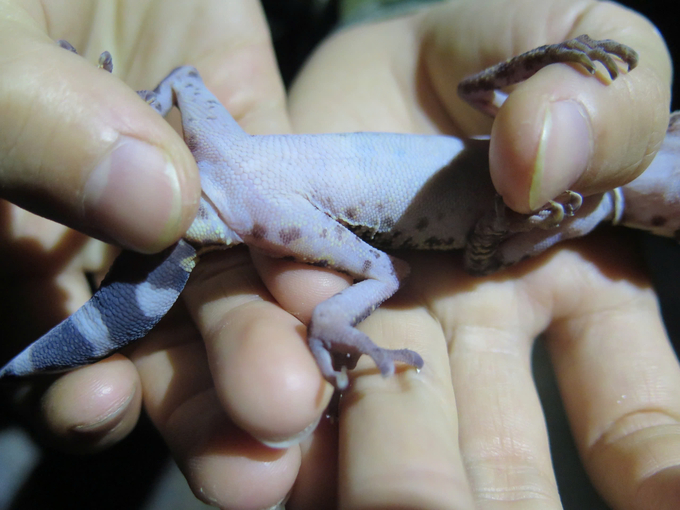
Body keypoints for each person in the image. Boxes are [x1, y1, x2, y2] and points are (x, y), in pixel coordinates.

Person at [1, 0, 677, 508]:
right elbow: (479, 244)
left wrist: (535, 225)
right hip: (263, 193)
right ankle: (329, 322)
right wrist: (540, 79)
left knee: (181, 81)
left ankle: (324, 321)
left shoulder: (578, 209)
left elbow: (478, 256)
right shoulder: (568, 181)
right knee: (385, 271)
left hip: (249, 164)